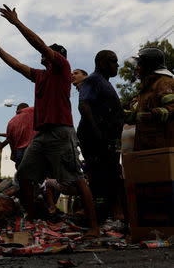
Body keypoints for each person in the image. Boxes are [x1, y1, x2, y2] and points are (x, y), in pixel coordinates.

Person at [0, 4, 99, 237]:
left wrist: (16, 23)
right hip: (42, 134)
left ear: (56, 57)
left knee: (75, 178)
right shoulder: (40, 76)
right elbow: (17, 65)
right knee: (25, 175)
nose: (42, 55)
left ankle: (94, 227)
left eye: (47, 53)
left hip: (61, 132)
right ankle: (33, 220)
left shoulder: (63, 68)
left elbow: (39, 44)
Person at [77, 50, 125, 222]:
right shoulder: (92, 80)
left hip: (111, 137)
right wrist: (97, 132)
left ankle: (111, 211)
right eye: (114, 61)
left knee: (113, 172)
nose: (117, 65)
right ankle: (98, 215)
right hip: (95, 136)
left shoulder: (105, 83)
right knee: (99, 174)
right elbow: (83, 106)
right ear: (103, 63)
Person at [124, 47, 174, 150]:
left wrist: (152, 115)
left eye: (140, 64)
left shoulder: (165, 83)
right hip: (149, 148)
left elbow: (172, 108)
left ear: (149, 65)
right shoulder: (147, 88)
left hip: (164, 149)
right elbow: (138, 114)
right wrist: (123, 115)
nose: (137, 68)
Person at [6, 103, 37, 169]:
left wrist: (14, 154)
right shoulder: (34, 110)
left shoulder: (11, 121)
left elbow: (10, 140)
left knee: (22, 178)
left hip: (20, 153)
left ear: (17, 111)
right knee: (38, 177)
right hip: (36, 149)